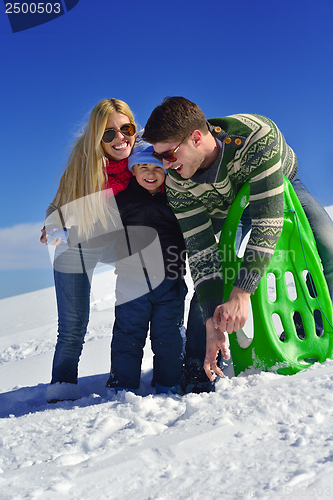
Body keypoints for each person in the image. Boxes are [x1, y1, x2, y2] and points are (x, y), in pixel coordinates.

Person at [143, 96, 333, 387]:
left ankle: (323, 327)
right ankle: (198, 369)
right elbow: (201, 251)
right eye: (159, 158)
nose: (165, 166)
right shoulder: (178, 183)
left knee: (328, 244)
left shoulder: (257, 136)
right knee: (209, 285)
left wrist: (242, 292)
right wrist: (213, 320)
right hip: (218, 206)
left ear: (196, 137)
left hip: (275, 185)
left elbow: (266, 222)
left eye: (169, 154)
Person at [40, 98, 137, 403]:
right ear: (97, 137)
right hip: (78, 245)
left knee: (152, 302)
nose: (120, 138)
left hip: (122, 244)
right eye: (109, 133)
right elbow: (56, 207)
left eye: (126, 128)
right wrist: (53, 228)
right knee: (73, 325)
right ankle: (62, 386)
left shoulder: (147, 160)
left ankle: (137, 373)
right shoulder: (84, 165)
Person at [105, 133, 187, 394]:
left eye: (156, 168)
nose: (150, 173)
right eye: (143, 167)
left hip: (170, 280)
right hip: (133, 282)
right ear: (133, 170)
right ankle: (123, 386)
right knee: (128, 335)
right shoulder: (122, 200)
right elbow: (97, 224)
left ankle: (168, 383)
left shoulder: (176, 199)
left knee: (169, 336)